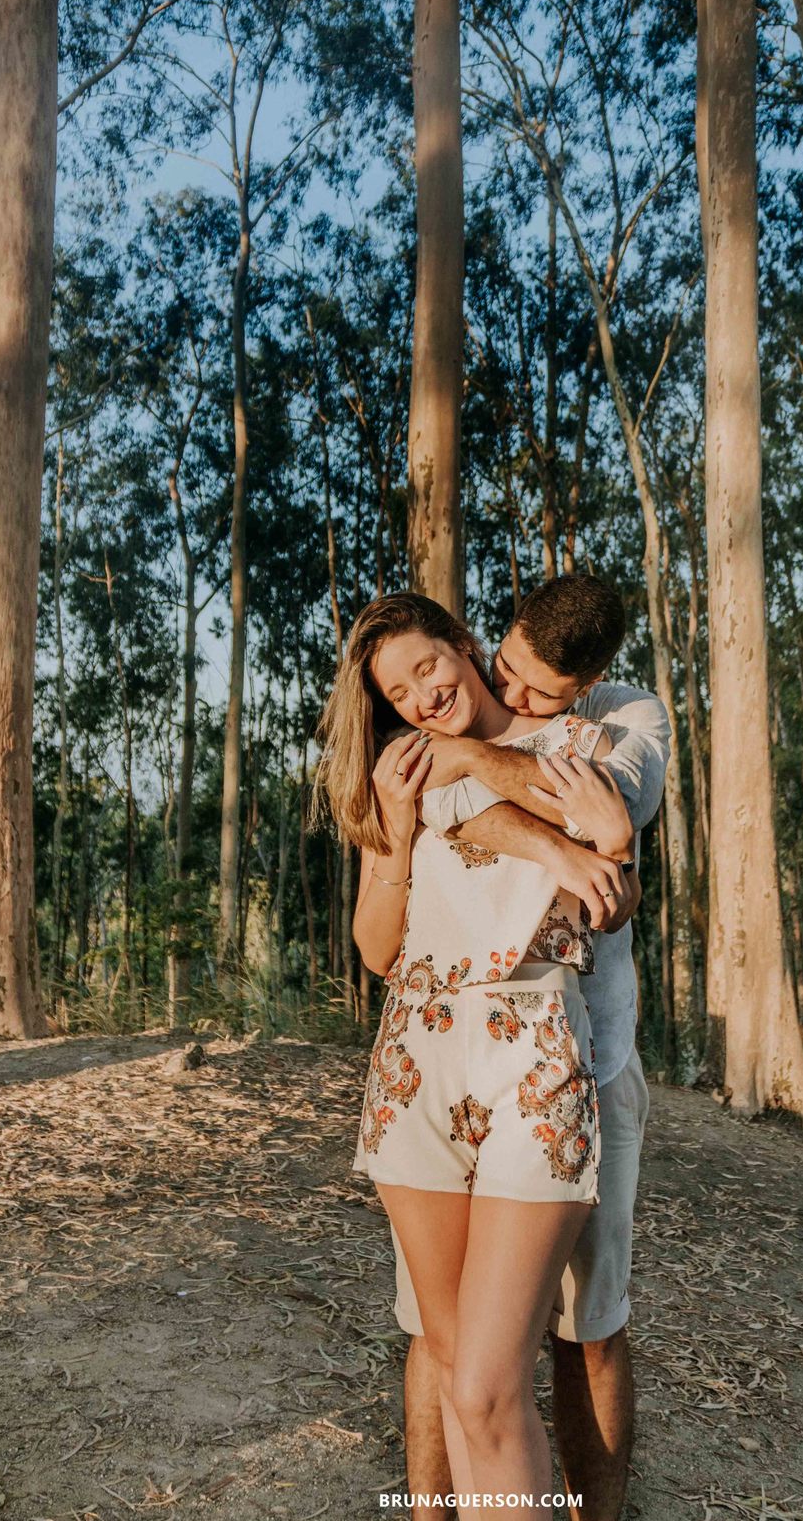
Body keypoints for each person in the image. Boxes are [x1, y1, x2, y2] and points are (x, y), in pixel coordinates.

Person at [312, 590, 639, 1505]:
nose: (422, 694)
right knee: (454, 1362)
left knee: (492, 1386)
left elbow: (612, 881)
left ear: (464, 644)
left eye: (428, 665)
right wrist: (396, 832)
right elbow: (377, 948)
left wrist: (598, 844)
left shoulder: (574, 745)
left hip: (534, 1055)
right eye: (399, 691)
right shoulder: (400, 772)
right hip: (414, 1061)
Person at [393, 575, 670, 1521]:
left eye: (540, 692)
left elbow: (612, 811)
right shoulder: (458, 703)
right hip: (455, 1071)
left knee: (586, 1327)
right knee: (442, 1336)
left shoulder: (630, 719)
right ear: (498, 636)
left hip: (590, 1061)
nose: (511, 694)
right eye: (506, 668)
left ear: (584, 686)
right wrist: (565, 833)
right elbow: (441, 806)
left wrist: (471, 759)